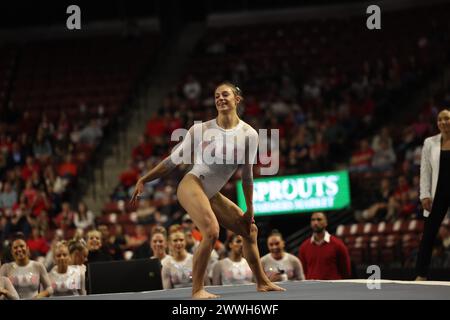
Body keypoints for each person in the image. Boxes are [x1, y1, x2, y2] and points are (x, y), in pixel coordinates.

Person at [131, 82, 284, 298]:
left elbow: (247, 176)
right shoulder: (201, 129)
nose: (220, 98)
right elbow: (172, 161)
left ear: (237, 100)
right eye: (216, 96)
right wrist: (144, 179)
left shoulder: (249, 134)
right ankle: (197, 290)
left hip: (211, 193)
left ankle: (262, 282)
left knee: (250, 230)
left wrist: (250, 209)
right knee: (212, 231)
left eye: (225, 95)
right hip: (192, 184)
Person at [416, 108, 450, 281]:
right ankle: (421, 274)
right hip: (438, 193)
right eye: (440, 119)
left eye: (447, 119)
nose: (443, 122)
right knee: (428, 234)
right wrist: (424, 194)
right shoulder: (430, 142)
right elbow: (425, 170)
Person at [298, 212, 351, 280]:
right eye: (313, 220)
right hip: (312, 288)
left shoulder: (338, 245)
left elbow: (346, 271)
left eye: (319, 219)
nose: (315, 222)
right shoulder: (304, 247)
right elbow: (303, 271)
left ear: (326, 222)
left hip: (333, 288)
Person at [0, 233, 53, 299]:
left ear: (27, 249)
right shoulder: (5, 268)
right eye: (15, 248)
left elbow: (49, 288)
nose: (19, 249)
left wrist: (38, 296)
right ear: (12, 252)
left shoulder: (38, 266)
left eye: (22, 246)